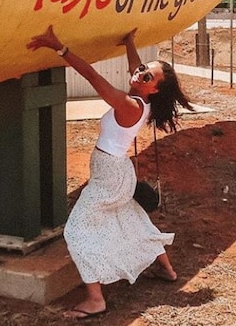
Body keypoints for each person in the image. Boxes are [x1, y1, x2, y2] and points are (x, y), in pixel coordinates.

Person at [26, 25, 194, 320]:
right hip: (119, 173)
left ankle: (95, 299)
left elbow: (92, 76)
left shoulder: (128, 105)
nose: (139, 74)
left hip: (110, 176)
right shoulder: (144, 101)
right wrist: (129, 42)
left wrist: (59, 46)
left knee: (75, 231)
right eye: (142, 69)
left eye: (146, 76)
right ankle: (167, 269)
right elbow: (135, 67)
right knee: (130, 218)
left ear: (152, 89)